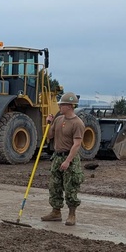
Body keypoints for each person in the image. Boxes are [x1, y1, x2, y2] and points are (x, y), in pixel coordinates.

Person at [42, 92, 86, 226]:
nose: (59, 106)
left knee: (71, 187)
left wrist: (68, 161)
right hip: (57, 156)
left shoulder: (78, 123)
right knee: (54, 186)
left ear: (69, 106)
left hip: (70, 158)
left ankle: (72, 214)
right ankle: (56, 212)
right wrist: (48, 124)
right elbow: (49, 136)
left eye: (62, 105)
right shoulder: (59, 119)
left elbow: (77, 144)